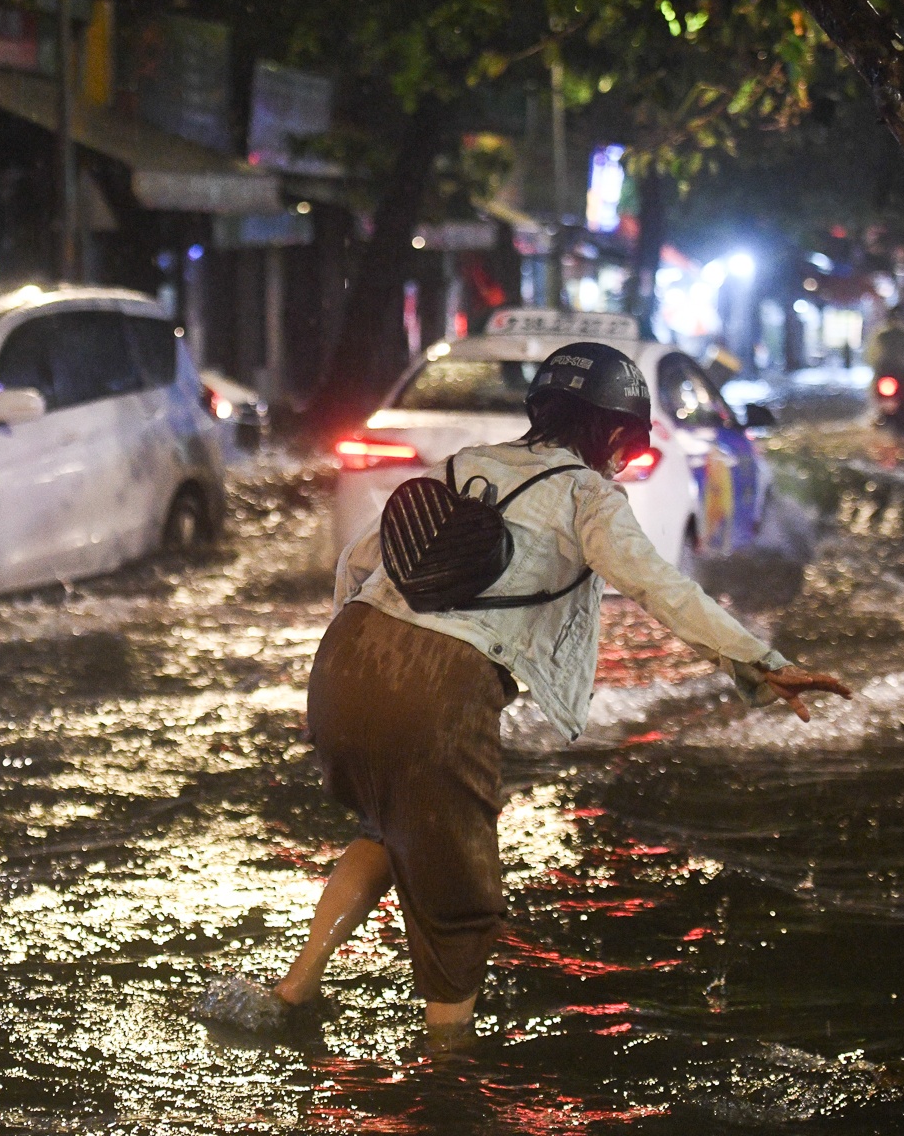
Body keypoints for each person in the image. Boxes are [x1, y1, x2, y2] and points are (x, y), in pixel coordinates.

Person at [195, 342, 852, 1045]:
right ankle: (448, 1073)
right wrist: (760, 660)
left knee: (387, 828)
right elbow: (663, 588)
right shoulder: (587, 495)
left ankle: (294, 991)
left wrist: (356, 654)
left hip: (344, 663)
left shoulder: (470, 462)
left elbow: (361, 558)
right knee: (462, 899)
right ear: (613, 434)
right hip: (436, 689)